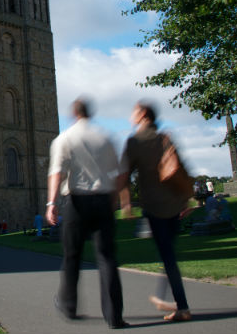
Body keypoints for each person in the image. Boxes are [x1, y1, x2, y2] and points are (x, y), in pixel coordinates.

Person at [46, 97, 127, 329]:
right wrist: (114, 197)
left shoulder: (66, 138)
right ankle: (114, 316)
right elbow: (120, 172)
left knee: (72, 256)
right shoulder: (106, 137)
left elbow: (57, 173)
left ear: (74, 113)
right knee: (107, 258)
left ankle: (69, 306)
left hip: (77, 202)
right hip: (103, 201)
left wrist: (51, 203)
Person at [119, 101, 191, 322]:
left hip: (156, 207)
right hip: (176, 204)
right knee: (168, 254)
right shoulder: (165, 137)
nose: (131, 116)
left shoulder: (135, 141)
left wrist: (126, 204)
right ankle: (168, 298)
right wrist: (187, 199)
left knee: (168, 256)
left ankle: (182, 307)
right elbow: (182, 169)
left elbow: (124, 175)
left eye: (133, 112)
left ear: (142, 115)